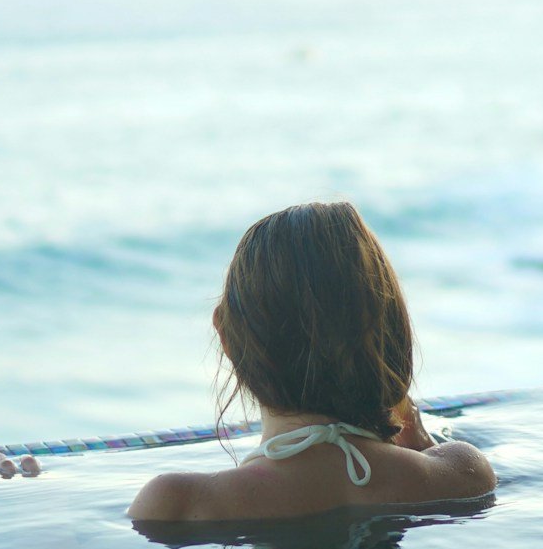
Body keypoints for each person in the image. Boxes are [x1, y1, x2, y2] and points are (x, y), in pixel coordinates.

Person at [129, 200, 496, 523]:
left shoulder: (176, 504)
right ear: (393, 335)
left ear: (226, 338)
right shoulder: (462, 473)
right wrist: (422, 446)